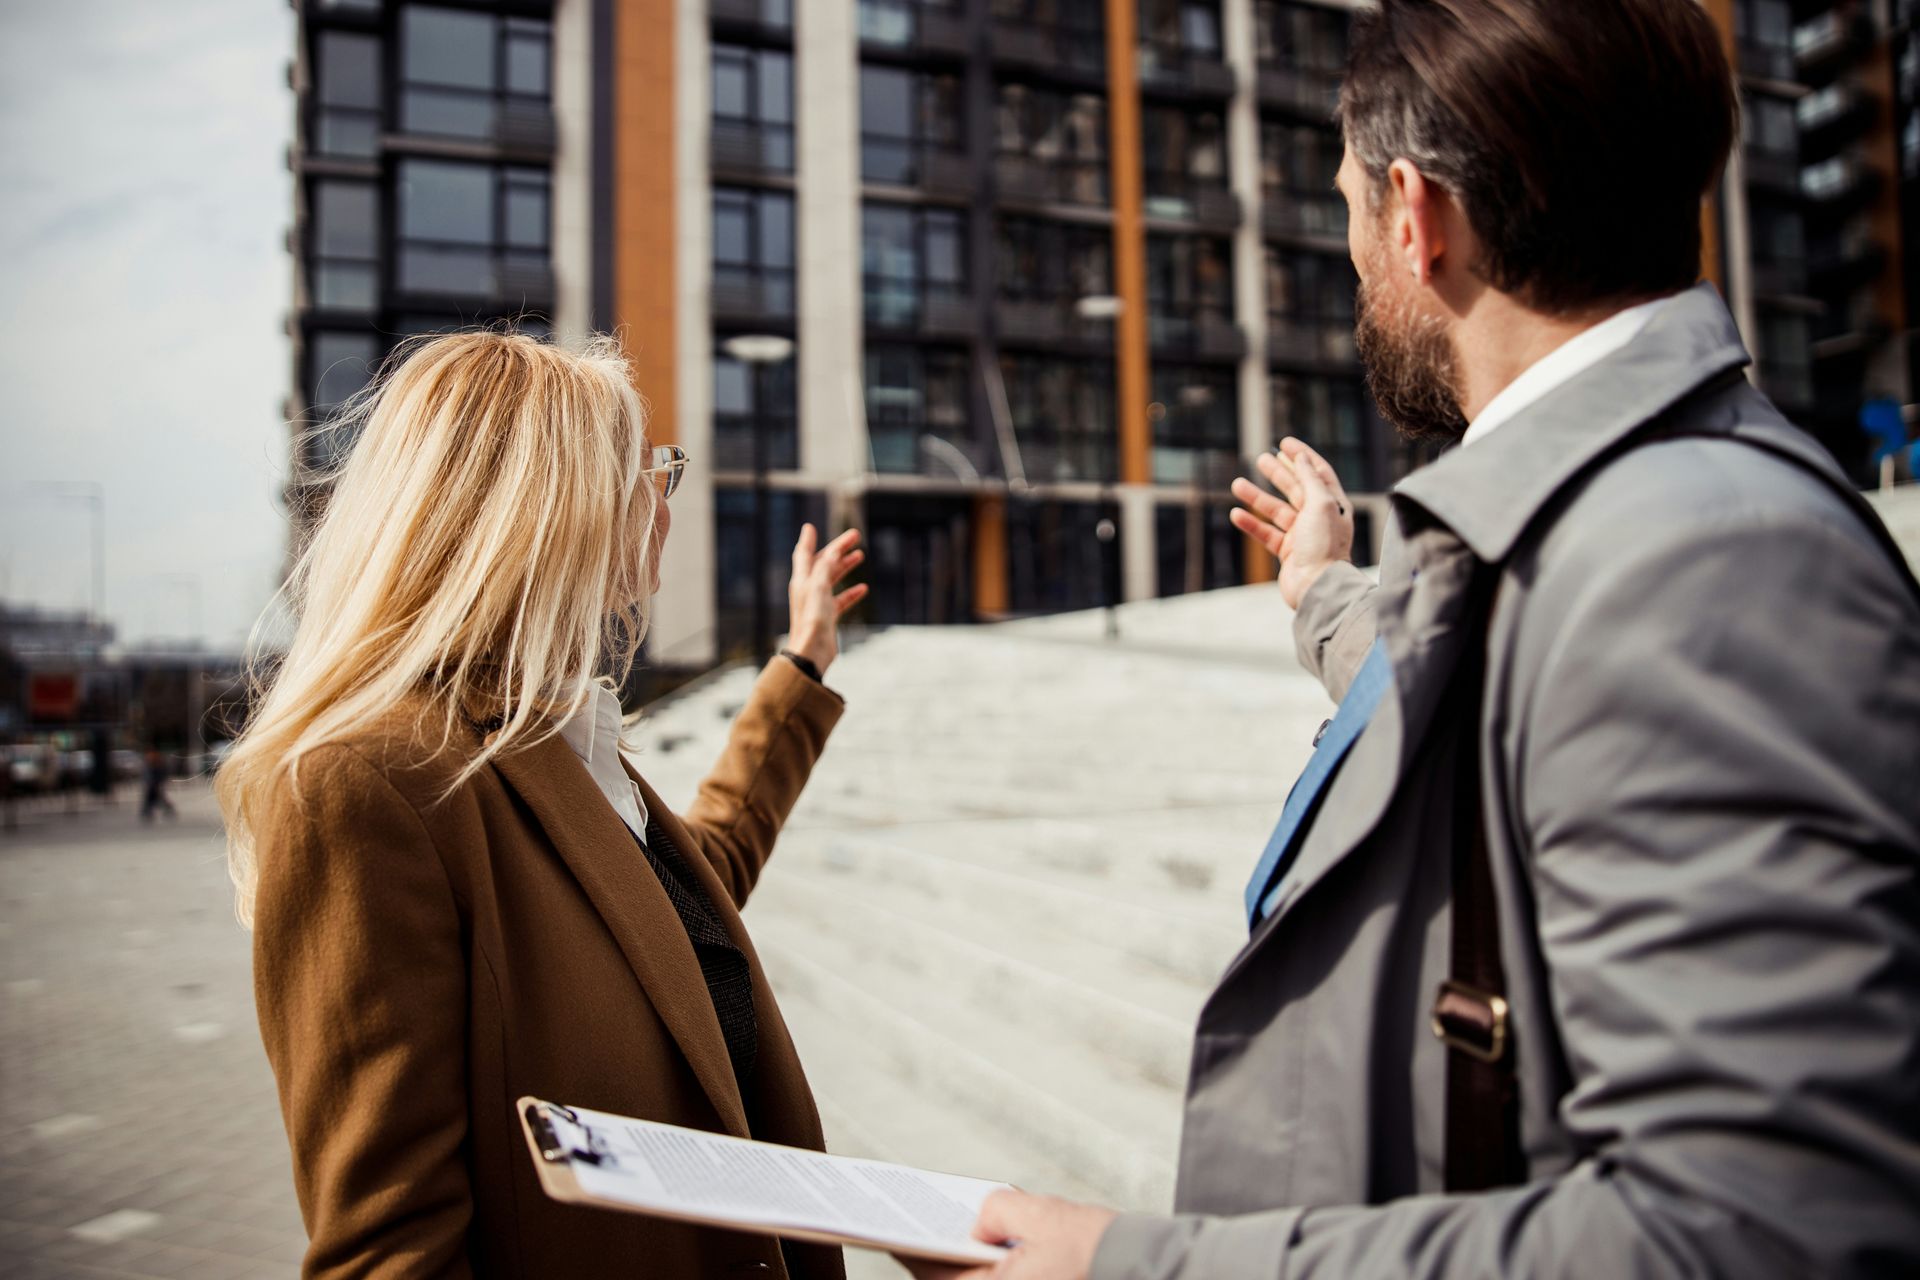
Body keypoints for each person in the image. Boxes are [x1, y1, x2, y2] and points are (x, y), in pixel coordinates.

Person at [915, 1, 1920, 1276]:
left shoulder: (1704, 557)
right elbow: (1478, 675)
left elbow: (1751, 1230)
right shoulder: (1612, 512)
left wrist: (1135, 1269)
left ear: (1413, 212)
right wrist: (1326, 588)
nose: (1348, 255)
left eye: (1345, 207)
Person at [217, 332, 868, 1278]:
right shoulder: (369, 786)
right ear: (550, 511)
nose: (662, 501)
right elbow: (390, 1251)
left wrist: (800, 666)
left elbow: (687, 893)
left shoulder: (550, 741)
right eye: (645, 472)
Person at [139, 747, 176, 821]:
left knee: (155, 798)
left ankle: (147, 811)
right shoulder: (150, 764)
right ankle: (147, 811)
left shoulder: (158, 764)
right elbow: (147, 775)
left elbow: (162, 774)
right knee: (154, 798)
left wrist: (159, 782)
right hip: (152, 784)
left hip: (154, 784)